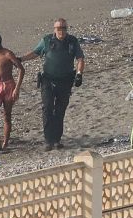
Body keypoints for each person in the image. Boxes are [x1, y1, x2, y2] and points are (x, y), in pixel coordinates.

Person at [20, 18, 85, 151]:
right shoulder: (47, 40)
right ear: (54, 29)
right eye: (58, 28)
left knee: (60, 110)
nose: (61, 31)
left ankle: (57, 139)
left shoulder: (72, 41)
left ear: (67, 29)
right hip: (48, 80)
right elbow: (35, 52)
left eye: (63, 28)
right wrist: (20, 59)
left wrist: (79, 74)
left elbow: (80, 59)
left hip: (65, 80)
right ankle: (48, 140)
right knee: (47, 108)